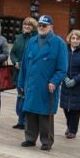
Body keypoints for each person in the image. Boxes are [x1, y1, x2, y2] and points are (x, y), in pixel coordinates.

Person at [17, 15, 67, 150]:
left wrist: (54, 82)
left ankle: (46, 140)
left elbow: (62, 68)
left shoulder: (58, 43)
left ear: (51, 27)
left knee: (45, 113)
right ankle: (30, 138)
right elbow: (24, 65)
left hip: (46, 85)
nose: (41, 27)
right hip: (31, 83)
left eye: (44, 25)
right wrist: (21, 83)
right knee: (30, 112)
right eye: (39, 25)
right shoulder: (32, 41)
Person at [60, 29, 80, 139]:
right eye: (73, 38)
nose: (75, 41)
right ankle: (69, 126)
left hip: (79, 85)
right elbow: (60, 65)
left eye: (77, 39)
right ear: (69, 39)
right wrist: (65, 78)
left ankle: (73, 130)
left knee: (75, 109)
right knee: (66, 107)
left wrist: (75, 80)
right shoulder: (65, 50)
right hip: (66, 83)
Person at [10, 18, 37, 130]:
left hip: (28, 72)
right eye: (25, 24)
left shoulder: (35, 39)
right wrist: (15, 62)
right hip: (17, 71)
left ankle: (26, 121)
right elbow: (12, 52)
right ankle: (20, 120)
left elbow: (33, 55)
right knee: (20, 96)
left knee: (27, 96)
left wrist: (21, 64)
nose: (27, 26)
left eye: (30, 25)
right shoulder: (19, 37)